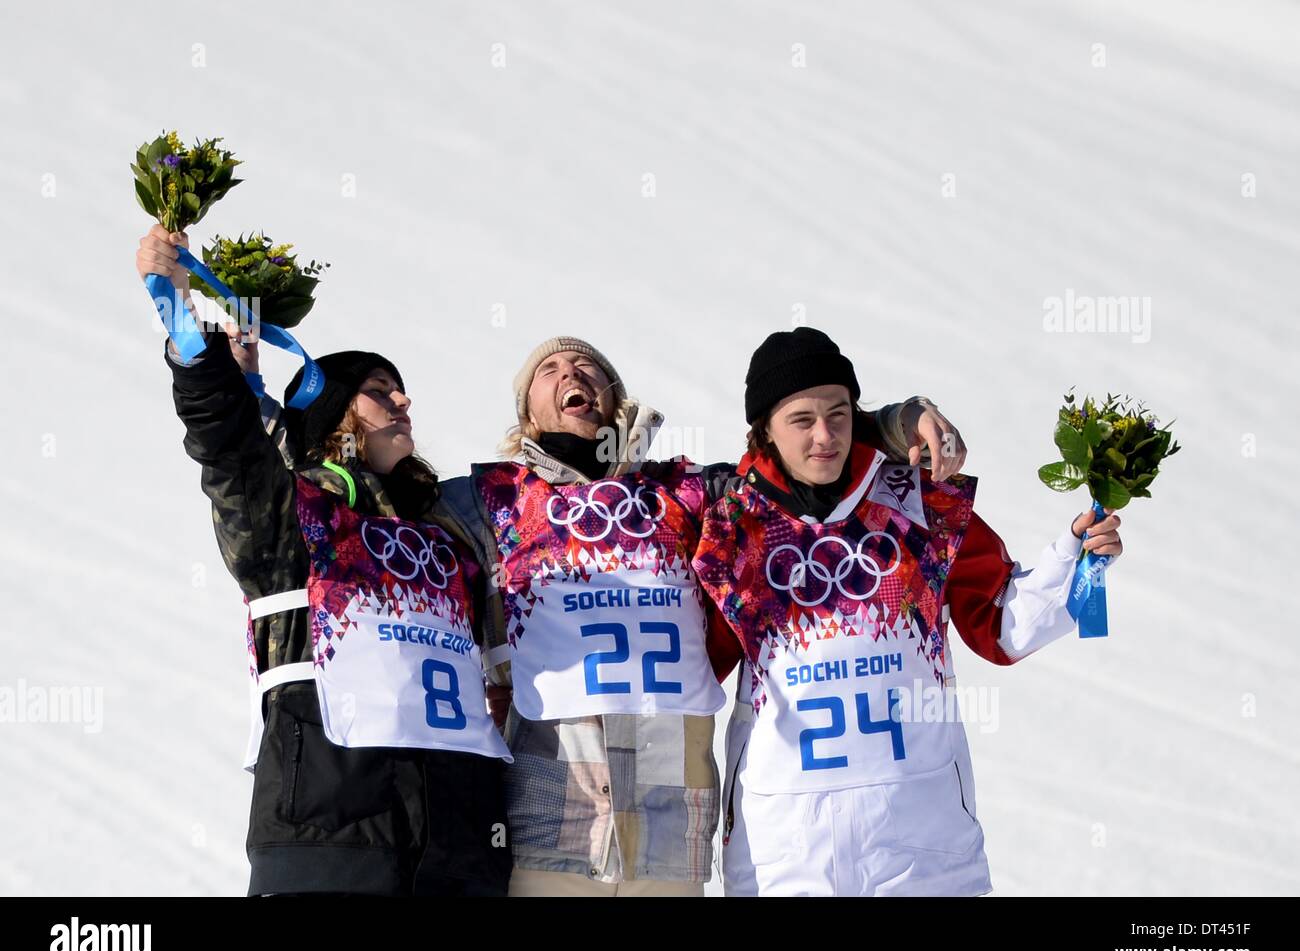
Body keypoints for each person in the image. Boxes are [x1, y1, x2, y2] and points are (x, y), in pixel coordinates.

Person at [431, 335, 971, 895]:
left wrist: (898, 421)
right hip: (549, 809)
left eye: (589, 365)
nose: (572, 373)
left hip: (672, 815)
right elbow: (376, 512)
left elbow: (793, 451)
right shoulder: (489, 497)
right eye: (550, 369)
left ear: (615, 397)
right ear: (527, 414)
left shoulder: (687, 491)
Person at [136, 224, 513, 895]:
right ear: (338, 411)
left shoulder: (450, 534)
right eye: (379, 389)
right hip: (328, 839)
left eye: (401, 390)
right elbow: (232, 454)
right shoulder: (298, 515)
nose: (403, 402)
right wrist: (194, 343)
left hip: (456, 852)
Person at [691, 326, 1124, 896]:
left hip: (921, 846)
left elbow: (1001, 625)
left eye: (839, 414)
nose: (825, 436)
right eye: (802, 420)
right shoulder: (730, 527)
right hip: (783, 851)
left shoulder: (915, 504)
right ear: (764, 430)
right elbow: (685, 669)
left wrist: (1077, 562)